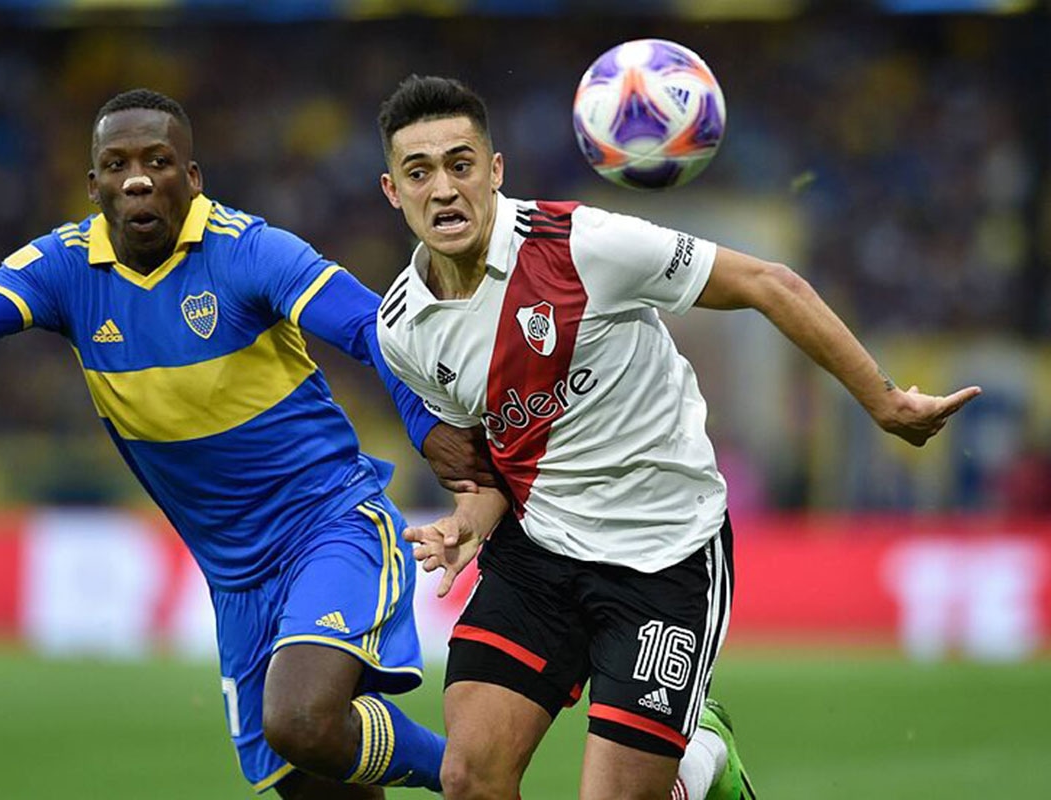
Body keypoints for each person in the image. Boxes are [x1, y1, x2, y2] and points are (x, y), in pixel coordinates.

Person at [373, 75, 981, 800]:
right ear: (393, 191)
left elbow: (769, 282)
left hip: (663, 556)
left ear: (494, 172)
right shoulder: (402, 327)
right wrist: (467, 521)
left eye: (460, 164)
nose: (443, 188)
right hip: (540, 556)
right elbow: (498, 460)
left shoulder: (584, 246)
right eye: (420, 172)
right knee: (469, 777)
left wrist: (883, 403)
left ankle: (702, 759)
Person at [0, 88, 495, 799]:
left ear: (193, 177)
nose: (138, 177)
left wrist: (428, 429)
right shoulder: (63, 268)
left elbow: (375, 330)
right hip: (234, 578)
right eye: (116, 164)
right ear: (93, 185)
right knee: (311, 775)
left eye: (159, 160)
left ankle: (470, 776)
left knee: (302, 719)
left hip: (329, 527)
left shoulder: (249, 252)